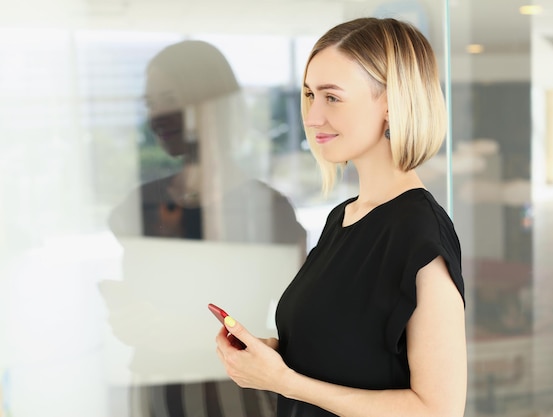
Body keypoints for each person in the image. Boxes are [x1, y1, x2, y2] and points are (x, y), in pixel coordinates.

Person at [215, 17, 467, 417]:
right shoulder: (343, 219)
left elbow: (437, 410)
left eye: (332, 97)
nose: (312, 117)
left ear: (391, 101)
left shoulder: (419, 233)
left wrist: (283, 381)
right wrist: (274, 357)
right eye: (310, 95)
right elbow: (351, 350)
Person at [103, 40, 306, 417]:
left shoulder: (268, 211)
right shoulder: (141, 204)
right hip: (155, 388)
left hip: (230, 392)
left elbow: (298, 330)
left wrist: (183, 333)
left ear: (211, 103)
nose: (158, 115)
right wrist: (130, 321)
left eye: (169, 98)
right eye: (151, 104)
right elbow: (138, 299)